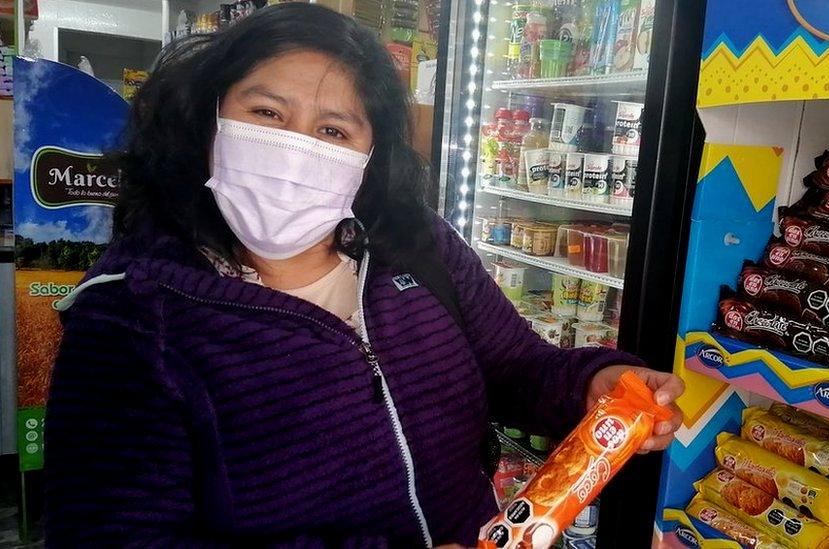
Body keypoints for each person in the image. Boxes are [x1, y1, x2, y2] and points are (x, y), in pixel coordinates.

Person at [44, 3, 684, 547]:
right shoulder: (133, 315)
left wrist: (597, 382)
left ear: (368, 154)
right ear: (205, 117)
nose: (297, 147)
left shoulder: (415, 246)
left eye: (333, 129)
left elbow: (518, 368)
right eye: (267, 113)